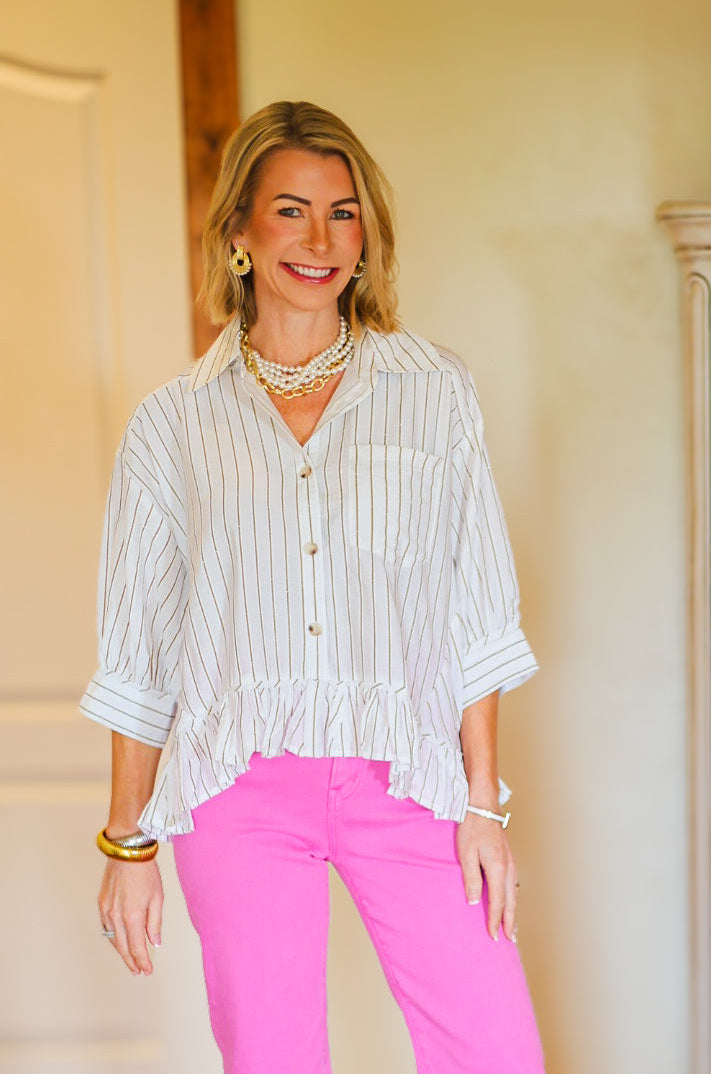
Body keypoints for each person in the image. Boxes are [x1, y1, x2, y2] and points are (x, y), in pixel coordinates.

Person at [80, 100, 546, 1074]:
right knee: (273, 1059)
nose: (321, 238)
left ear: (368, 232)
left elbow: (478, 616)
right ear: (240, 232)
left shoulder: (433, 392)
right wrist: (128, 847)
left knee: (493, 1051)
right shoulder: (175, 426)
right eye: (290, 210)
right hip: (236, 790)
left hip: (409, 774)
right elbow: (140, 651)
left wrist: (483, 806)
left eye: (344, 212)